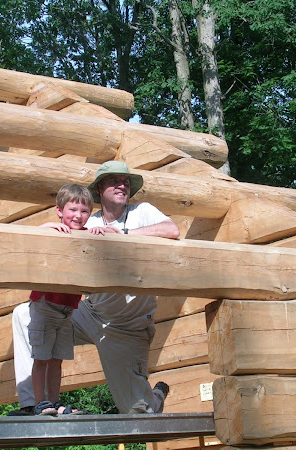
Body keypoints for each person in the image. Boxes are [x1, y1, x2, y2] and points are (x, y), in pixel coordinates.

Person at [9, 161, 179, 416]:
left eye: (125, 181)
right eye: (113, 181)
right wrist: (48, 228)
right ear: (99, 189)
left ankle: (155, 397)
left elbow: (172, 230)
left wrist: (122, 234)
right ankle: (35, 404)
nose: (121, 185)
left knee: (138, 413)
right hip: (89, 314)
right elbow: (52, 234)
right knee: (24, 314)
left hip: (127, 327)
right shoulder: (89, 219)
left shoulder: (142, 211)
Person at [25, 183, 105, 416]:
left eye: (84, 211)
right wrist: (45, 227)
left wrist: (100, 233)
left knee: (57, 358)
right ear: (59, 211)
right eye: (72, 210)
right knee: (42, 357)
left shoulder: (86, 234)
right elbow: (27, 241)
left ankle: (53, 401)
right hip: (45, 304)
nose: (78, 216)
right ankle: (40, 402)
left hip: (67, 310)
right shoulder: (54, 231)